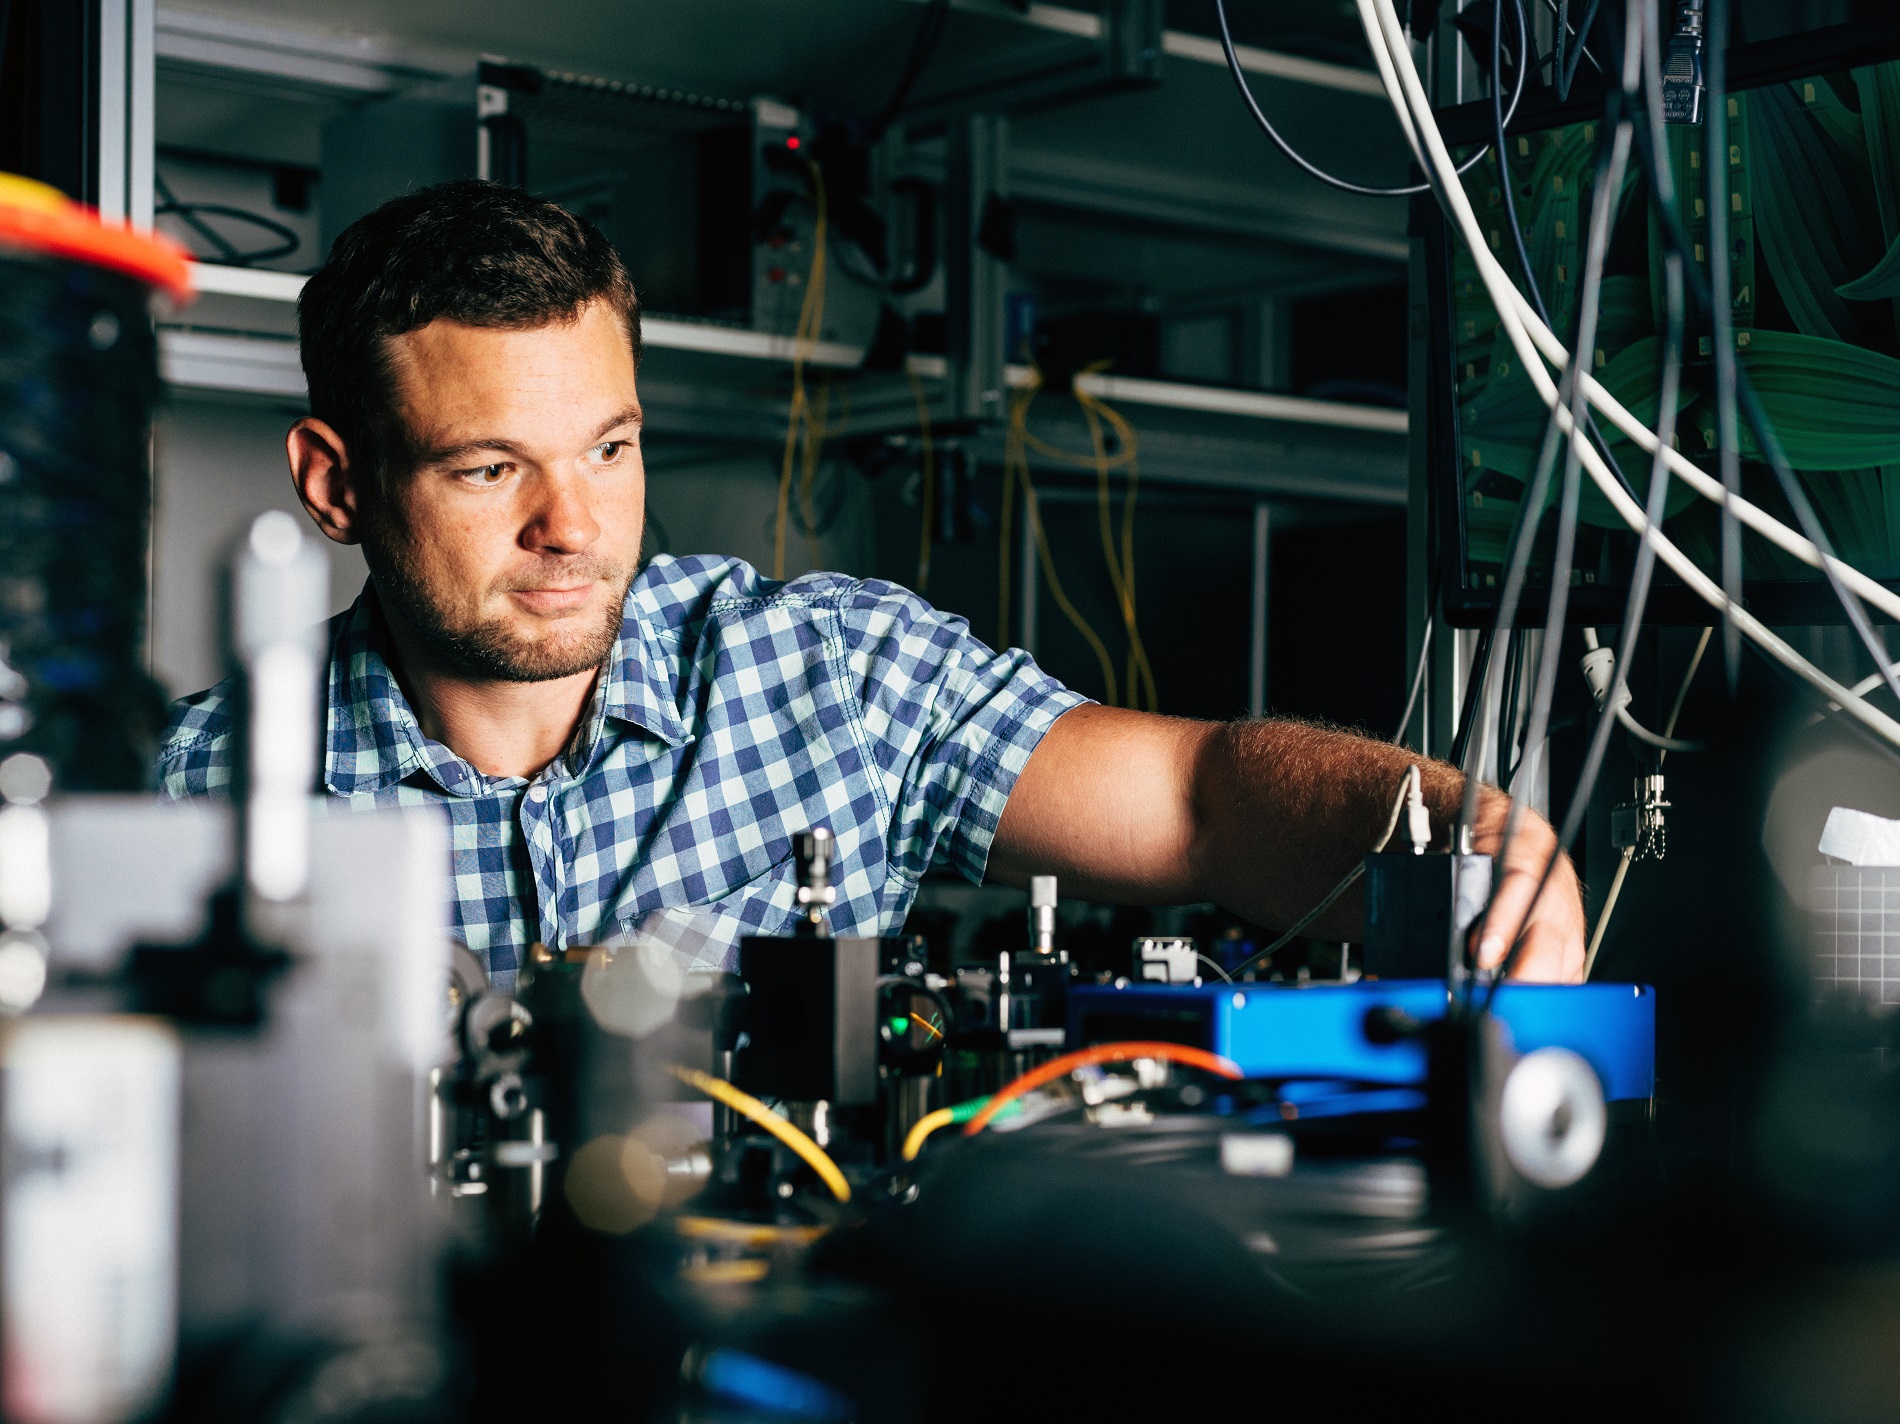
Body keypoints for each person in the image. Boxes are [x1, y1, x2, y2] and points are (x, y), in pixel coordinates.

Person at [157, 181, 1583, 988]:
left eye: (609, 447)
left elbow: (1205, 799)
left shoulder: (828, 679)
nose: (573, 524)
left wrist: (1465, 841)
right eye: (487, 470)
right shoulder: (183, 803)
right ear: (338, 484)